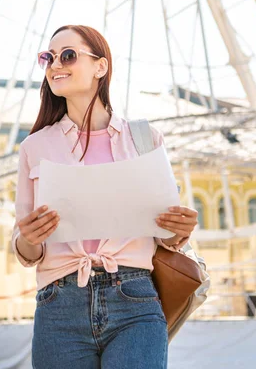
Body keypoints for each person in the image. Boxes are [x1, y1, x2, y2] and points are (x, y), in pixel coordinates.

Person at [12, 24, 198, 369]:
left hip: (135, 299)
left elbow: (166, 235)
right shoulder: (34, 147)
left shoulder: (144, 137)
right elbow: (25, 251)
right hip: (59, 306)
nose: (55, 65)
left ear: (101, 66)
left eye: (67, 55)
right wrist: (29, 238)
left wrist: (180, 227)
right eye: (47, 57)